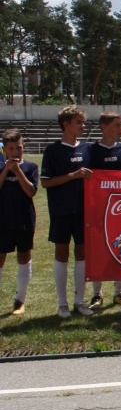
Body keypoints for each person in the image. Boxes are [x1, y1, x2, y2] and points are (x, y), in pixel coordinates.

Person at [41, 106, 94, 318]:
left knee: (82, 253)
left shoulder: (87, 149)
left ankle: (79, 301)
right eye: (78, 123)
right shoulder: (52, 150)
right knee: (62, 253)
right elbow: (45, 182)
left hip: (84, 210)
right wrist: (73, 175)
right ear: (66, 125)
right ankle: (62, 303)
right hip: (61, 210)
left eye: (83, 122)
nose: (82, 126)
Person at [87, 111, 121, 309]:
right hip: (97, 207)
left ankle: (119, 292)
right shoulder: (91, 150)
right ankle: (97, 294)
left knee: (120, 245)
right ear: (103, 127)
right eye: (117, 125)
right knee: (98, 248)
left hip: (119, 208)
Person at [0, 129, 37, 316]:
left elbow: (31, 192)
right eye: (12, 148)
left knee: (24, 257)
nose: (16, 152)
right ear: (5, 149)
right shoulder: (1, 167)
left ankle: (20, 300)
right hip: (3, 221)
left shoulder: (30, 167)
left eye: (19, 148)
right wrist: (7, 169)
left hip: (24, 220)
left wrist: (18, 171)